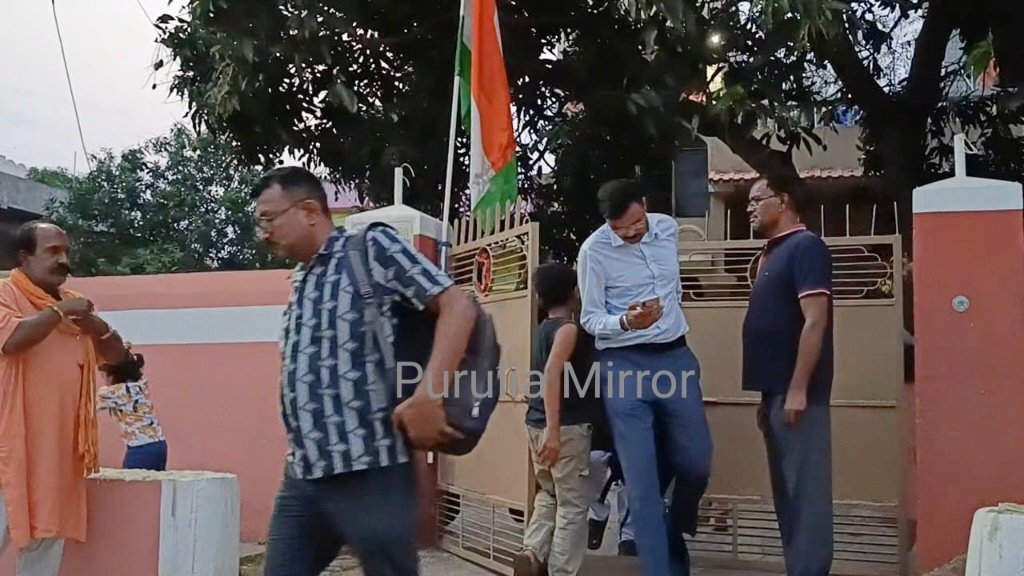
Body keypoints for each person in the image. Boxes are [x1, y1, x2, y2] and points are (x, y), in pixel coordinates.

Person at [253, 166, 479, 576]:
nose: (263, 233)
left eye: (269, 219)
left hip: (371, 470)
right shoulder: (302, 279)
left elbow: (457, 305)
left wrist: (430, 394)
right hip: (305, 475)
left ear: (309, 211)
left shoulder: (369, 249)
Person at [576, 179, 712, 576]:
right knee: (641, 481)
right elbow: (590, 318)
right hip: (623, 364)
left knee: (697, 460)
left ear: (645, 206)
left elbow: (673, 285)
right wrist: (625, 321)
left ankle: (677, 520)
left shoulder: (667, 228)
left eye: (637, 222)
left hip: (675, 357)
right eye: (620, 229)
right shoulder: (593, 251)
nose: (631, 233)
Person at [0, 221, 127, 575]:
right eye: (53, 251)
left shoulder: (74, 307)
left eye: (66, 252)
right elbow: (12, 341)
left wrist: (97, 326)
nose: (63, 260)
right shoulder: (6, 294)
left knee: (47, 542)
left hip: (57, 453)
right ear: (24, 256)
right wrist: (58, 313)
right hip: (9, 448)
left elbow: (117, 358)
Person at [742, 175, 834, 576]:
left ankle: (810, 569)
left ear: (782, 201)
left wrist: (798, 389)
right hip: (774, 392)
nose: (749, 208)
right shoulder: (771, 253)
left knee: (806, 493)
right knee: (787, 494)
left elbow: (815, 321)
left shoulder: (806, 247)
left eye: (756, 200)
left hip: (799, 394)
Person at [515, 262, 601, 576]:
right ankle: (562, 571)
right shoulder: (568, 329)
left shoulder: (542, 330)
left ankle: (532, 552)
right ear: (574, 292)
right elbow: (552, 373)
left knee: (549, 493)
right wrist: (553, 430)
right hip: (564, 428)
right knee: (572, 504)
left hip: (537, 424)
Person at [98, 346, 168, 471]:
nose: (103, 379)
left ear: (113, 375)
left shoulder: (115, 392)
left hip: (140, 448)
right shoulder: (140, 385)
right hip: (158, 445)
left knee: (131, 482)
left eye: (103, 375)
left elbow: (88, 405)